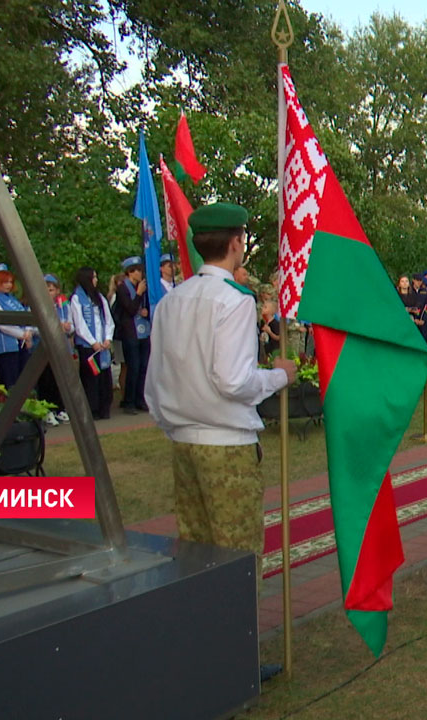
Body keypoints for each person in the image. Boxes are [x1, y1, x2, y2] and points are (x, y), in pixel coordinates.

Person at [144, 203, 295, 668]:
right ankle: (236, 658)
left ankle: (204, 645)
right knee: (236, 553)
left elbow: (155, 383)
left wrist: (176, 424)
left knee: (196, 549)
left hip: (184, 441)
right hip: (225, 445)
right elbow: (233, 380)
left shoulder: (171, 301)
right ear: (236, 244)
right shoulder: (233, 301)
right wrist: (277, 375)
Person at [70, 266, 115, 419]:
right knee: (91, 378)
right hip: (88, 347)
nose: (96, 280)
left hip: (103, 345)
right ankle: (92, 409)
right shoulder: (77, 298)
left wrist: (107, 338)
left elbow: (108, 320)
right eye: (93, 277)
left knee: (105, 377)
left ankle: (105, 408)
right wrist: (92, 342)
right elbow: (79, 324)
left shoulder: (100, 297)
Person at [0, 265, 34, 389]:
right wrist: (22, 334)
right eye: (4, 282)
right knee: (9, 383)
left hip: (19, 345)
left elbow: (25, 316)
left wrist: (28, 332)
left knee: (23, 383)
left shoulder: (12, 299)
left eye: (10, 282)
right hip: (3, 348)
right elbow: (2, 323)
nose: (9, 285)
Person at [33, 273, 75, 425]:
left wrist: (68, 327)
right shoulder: (37, 306)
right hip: (44, 349)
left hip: (60, 347)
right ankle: (47, 410)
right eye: (46, 289)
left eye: (51, 290)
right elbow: (32, 328)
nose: (49, 293)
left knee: (60, 380)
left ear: (57, 291)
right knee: (46, 380)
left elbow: (70, 325)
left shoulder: (63, 306)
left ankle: (60, 408)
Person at [113, 256, 152, 415]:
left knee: (143, 367)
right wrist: (138, 293)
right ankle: (128, 401)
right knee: (133, 367)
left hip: (144, 331)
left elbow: (146, 306)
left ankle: (140, 399)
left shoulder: (144, 288)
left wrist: (146, 311)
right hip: (130, 333)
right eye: (137, 271)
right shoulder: (123, 288)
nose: (140, 274)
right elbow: (129, 309)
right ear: (130, 272)